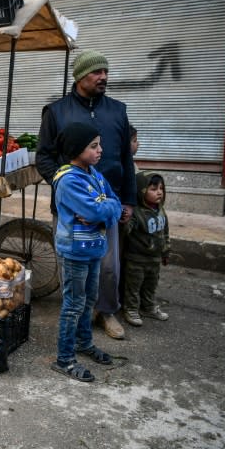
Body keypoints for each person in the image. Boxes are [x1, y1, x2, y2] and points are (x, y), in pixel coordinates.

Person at [36, 50, 136, 340]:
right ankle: (77, 313)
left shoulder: (117, 111)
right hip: (69, 210)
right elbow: (44, 158)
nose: (103, 77)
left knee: (107, 267)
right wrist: (70, 193)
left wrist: (128, 199)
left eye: (105, 71)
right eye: (96, 72)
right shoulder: (56, 112)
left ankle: (106, 311)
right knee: (73, 265)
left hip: (107, 205)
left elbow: (126, 161)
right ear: (80, 76)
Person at [50, 122, 122, 382]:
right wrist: (103, 210)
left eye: (99, 144)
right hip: (74, 253)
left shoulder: (94, 174)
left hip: (93, 248)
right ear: (76, 149)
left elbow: (115, 204)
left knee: (89, 299)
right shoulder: (68, 181)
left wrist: (105, 210)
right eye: (94, 146)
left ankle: (83, 343)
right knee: (73, 305)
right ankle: (65, 359)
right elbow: (96, 210)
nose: (100, 150)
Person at [121, 171, 170, 326]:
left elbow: (165, 232)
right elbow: (126, 231)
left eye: (161, 188)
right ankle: (131, 309)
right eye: (153, 189)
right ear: (141, 191)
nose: (159, 192)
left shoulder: (160, 210)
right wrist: (124, 220)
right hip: (136, 260)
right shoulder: (136, 213)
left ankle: (148, 307)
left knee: (150, 285)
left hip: (154, 259)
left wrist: (166, 251)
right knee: (133, 286)